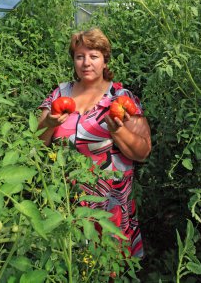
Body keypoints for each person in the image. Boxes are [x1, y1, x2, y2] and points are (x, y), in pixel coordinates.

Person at [38, 27, 151, 258]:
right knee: (69, 263)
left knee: (109, 263)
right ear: (73, 61)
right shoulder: (59, 95)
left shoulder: (121, 98)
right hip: (66, 199)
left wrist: (118, 132)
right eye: (80, 56)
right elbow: (37, 144)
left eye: (93, 56)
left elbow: (143, 152)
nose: (86, 63)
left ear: (105, 60)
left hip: (110, 203)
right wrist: (49, 123)